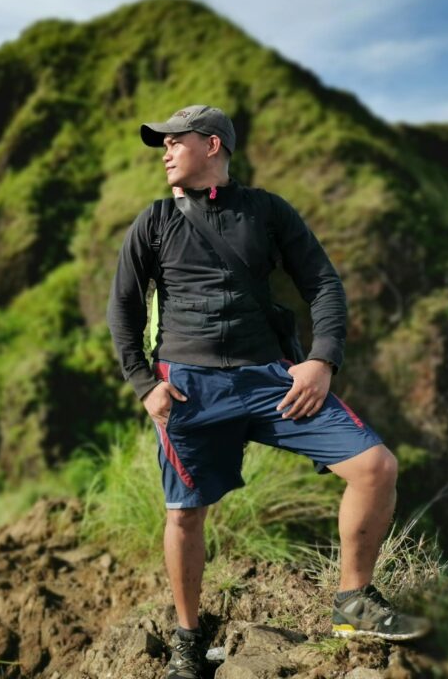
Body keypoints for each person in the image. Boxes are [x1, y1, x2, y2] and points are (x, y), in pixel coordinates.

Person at [106, 105, 430, 679]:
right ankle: (187, 638)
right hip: (188, 389)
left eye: (174, 141)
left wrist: (321, 361)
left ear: (211, 145)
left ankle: (353, 603)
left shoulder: (267, 211)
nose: (164, 151)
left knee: (376, 466)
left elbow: (323, 283)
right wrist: (142, 386)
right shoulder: (153, 222)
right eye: (162, 144)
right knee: (184, 514)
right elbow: (124, 309)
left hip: (274, 381)